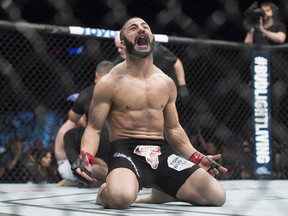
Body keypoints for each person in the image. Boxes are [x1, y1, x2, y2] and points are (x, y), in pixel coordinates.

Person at [72, 17, 227, 209]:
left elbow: (173, 129)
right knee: (121, 199)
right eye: (133, 28)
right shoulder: (109, 82)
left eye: (145, 27)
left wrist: (195, 156)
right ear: (122, 42)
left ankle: (162, 192)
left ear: (152, 38)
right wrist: (86, 155)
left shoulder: (166, 83)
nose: (141, 30)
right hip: (126, 152)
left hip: (162, 154)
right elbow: (94, 128)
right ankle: (105, 192)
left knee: (216, 196)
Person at [55, 60, 114, 185]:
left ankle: (79, 169)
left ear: (96, 76)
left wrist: (81, 112)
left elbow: (72, 118)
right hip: (119, 140)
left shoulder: (87, 93)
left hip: (96, 141)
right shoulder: (123, 92)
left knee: (69, 135)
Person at [114, 32, 190, 105]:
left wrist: (182, 86)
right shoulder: (122, 58)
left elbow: (176, 62)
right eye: (117, 47)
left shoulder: (155, 50)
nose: (119, 50)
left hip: (167, 87)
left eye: (121, 47)